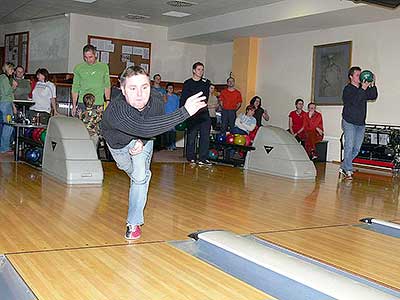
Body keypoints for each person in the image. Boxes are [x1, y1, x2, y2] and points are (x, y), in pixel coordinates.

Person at [101, 65, 206, 240]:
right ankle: (137, 176)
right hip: (118, 144)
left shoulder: (156, 99)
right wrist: (185, 112)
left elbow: (152, 126)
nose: (140, 94)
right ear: (123, 90)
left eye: (144, 87)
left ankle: (133, 223)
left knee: (140, 176)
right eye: (132, 88)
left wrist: (141, 141)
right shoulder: (116, 109)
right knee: (130, 170)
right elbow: (141, 126)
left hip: (144, 138)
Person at [340, 66, 378, 180]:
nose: (360, 77)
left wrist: (372, 84)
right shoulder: (347, 89)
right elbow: (355, 102)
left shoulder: (363, 89)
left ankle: (344, 166)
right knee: (349, 146)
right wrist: (363, 88)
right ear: (351, 77)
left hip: (360, 123)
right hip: (349, 121)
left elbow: (373, 96)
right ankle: (348, 170)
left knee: (356, 148)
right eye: (357, 75)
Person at [180, 62, 212, 166]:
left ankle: (203, 158)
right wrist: (183, 113)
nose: (201, 72)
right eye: (199, 69)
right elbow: (183, 99)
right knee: (192, 136)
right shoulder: (188, 83)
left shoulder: (205, 83)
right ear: (194, 70)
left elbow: (205, 97)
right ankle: (191, 157)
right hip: (192, 113)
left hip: (203, 112)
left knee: (205, 136)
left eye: (202, 70)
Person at [71, 44, 111, 116]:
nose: (88, 60)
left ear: (95, 55)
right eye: (85, 57)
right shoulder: (78, 68)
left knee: (96, 126)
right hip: (82, 103)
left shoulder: (104, 67)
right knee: (81, 126)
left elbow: (107, 85)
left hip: (98, 103)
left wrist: (107, 101)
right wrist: (74, 106)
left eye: (90, 57)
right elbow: (75, 88)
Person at [0, 62, 17, 153]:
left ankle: (3, 147)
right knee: (8, 125)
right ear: (7, 69)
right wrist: (13, 86)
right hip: (6, 104)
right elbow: (7, 92)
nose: (13, 71)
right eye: (12, 69)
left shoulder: (2, 78)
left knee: (6, 125)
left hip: (4, 104)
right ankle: (4, 147)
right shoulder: (5, 78)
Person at [164, 82, 180, 150]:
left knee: (173, 132)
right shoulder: (164, 96)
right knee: (167, 132)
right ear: (167, 89)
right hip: (166, 116)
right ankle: (167, 146)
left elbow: (177, 106)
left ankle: (173, 145)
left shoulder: (175, 97)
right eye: (169, 88)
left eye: (172, 88)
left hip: (173, 116)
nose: (171, 89)